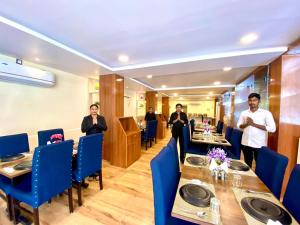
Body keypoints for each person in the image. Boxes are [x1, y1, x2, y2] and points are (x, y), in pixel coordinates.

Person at [237, 93, 276, 168]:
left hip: (259, 145)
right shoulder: (244, 113)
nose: (252, 102)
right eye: (250, 100)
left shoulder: (266, 113)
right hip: (246, 143)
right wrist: (247, 124)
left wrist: (253, 124)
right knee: (247, 165)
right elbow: (239, 126)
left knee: (260, 166)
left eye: (254, 100)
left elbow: (272, 128)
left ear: (259, 101)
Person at [79, 104, 107, 187]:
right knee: (90, 157)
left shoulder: (101, 118)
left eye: (95, 109)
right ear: (90, 110)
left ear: (97, 110)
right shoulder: (86, 118)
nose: (94, 110)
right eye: (92, 109)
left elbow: (105, 128)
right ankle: (91, 174)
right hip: (89, 141)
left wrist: (97, 123)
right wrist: (93, 124)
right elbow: (83, 130)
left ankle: (97, 174)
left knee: (97, 157)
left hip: (98, 140)